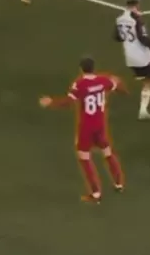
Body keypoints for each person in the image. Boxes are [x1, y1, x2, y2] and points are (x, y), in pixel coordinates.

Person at [40, 57, 126, 203]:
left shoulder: (80, 84)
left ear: (81, 69)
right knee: (107, 152)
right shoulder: (103, 80)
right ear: (94, 68)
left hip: (86, 127)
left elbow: (68, 102)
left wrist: (50, 102)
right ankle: (119, 184)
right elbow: (117, 85)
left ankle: (96, 194)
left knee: (84, 157)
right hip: (100, 125)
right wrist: (123, 89)